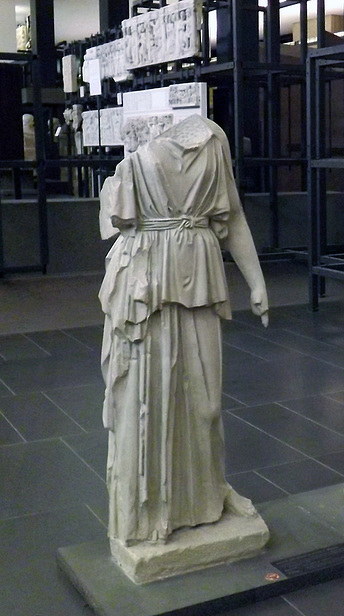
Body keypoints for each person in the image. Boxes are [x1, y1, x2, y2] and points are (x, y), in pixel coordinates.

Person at [99, 114, 268, 546]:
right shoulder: (139, 162)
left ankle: (213, 493)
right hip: (152, 279)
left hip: (199, 274)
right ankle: (154, 510)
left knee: (207, 403)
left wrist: (257, 281)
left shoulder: (214, 141)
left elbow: (233, 219)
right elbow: (119, 224)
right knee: (152, 397)